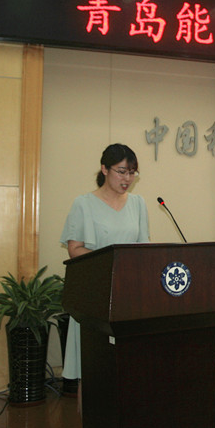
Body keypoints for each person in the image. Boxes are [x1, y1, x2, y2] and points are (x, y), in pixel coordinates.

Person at [60, 143, 150, 404]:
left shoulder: (138, 204)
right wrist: (112, 264)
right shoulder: (84, 204)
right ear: (104, 169)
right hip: (95, 294)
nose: (127, 179)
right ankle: (90, 420)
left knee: (128, 367)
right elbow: (75, 249)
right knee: (93, 369)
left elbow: (143, 248)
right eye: (122, 171)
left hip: (128, 296)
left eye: (132, 172)